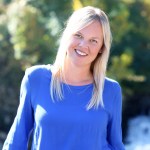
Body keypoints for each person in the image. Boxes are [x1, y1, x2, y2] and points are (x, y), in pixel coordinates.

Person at [3, 6, 125, 150]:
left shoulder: (110, 90)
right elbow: (16, 140)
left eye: (93, 41)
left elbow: (116, 145)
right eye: (78, 35)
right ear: (67, 35)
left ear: (101, 48)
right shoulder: (36, 79)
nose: (83, 45)